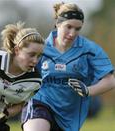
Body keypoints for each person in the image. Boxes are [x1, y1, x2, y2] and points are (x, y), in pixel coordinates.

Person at [21, 2, 115, 131]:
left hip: (70, 115)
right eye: (68, 27)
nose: (72, 33)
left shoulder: (90, 50)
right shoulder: (41, 47)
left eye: (77, 29)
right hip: (41, 102)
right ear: (58, 23)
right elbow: (21, 70)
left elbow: (110, 80)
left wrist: (88, 90)